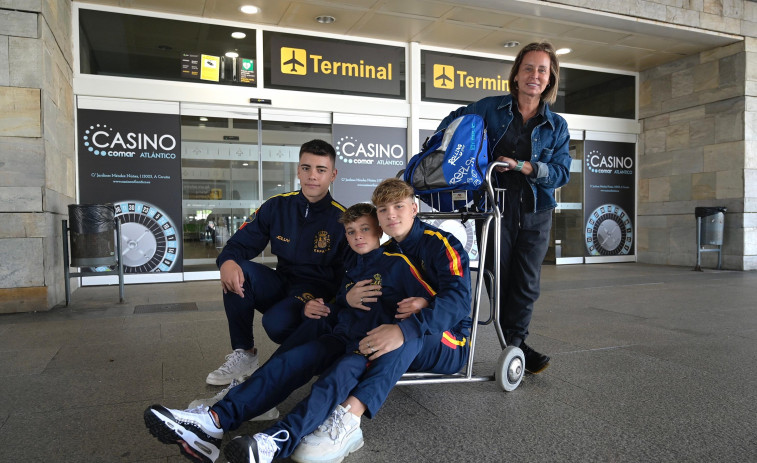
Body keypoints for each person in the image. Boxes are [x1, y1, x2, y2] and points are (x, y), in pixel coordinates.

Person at [143, 203, 436, 463]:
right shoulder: (351, 265)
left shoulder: (398, 263)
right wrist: (332, 304)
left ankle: (275, 441)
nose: (357, 235)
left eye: (365, 229)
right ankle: (214, 421)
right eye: (350, 231)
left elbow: (429, 306)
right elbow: (342, 303)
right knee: (288, 362)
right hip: (339, 335)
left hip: (367, 346)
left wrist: (423, 303)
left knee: (333, 380)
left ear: (380, 231)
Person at [291, 178, 472, 463]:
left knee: (406, 331)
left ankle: (349, 418)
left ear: (414, 208)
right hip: (407, 332)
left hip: (450, 340)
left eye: (398, 206)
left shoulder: (441, 244)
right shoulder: (386, 251)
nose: (391, 214)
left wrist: (419, 312)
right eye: (383, 209)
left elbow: (460, 302)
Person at [434, 41, 571, 373]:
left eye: (542, 69)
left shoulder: (557, 126)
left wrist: (525, 166)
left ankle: (515, 345)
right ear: (517, 73)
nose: (534, 75)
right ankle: (515, 345)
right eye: (528, 68)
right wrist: (457, 156)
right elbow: (451, 123)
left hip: (536, 210)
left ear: (550, 77)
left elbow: (561, 173)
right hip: (495, 206)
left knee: (526, 282)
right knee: (498, 276)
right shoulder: (490, 108)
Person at [206, 139, 347, 386]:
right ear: (298, 170)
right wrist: (227, 261)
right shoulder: (277, 206)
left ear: (333, 175)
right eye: (306, 168)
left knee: (275, 323)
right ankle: (244, 354)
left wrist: (332, 305)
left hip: (315, 294)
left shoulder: (342, 219)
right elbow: (239, 244)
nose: (312, 176)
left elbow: (352, 275)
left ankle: (316, 354)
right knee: (240, 271)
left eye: (321, 170)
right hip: (282, 283)